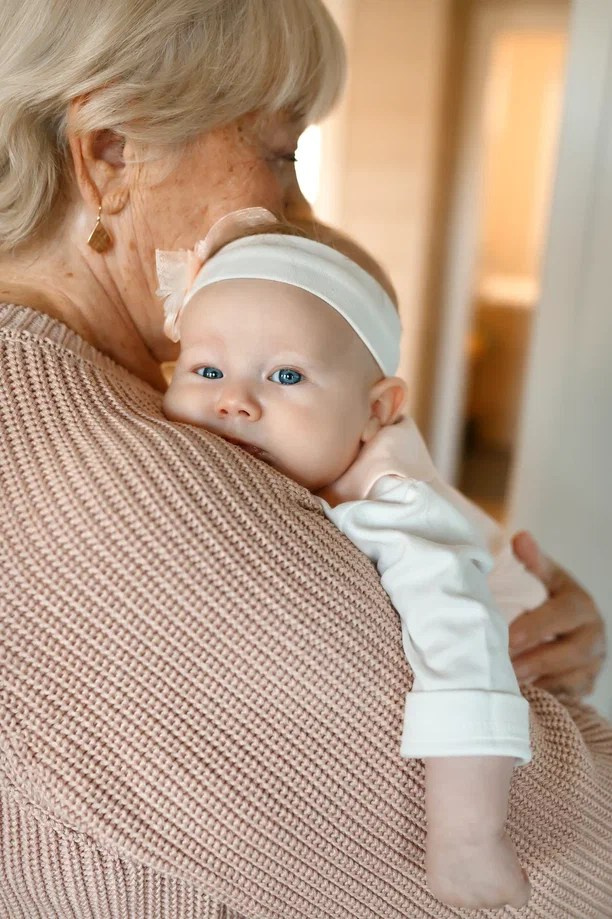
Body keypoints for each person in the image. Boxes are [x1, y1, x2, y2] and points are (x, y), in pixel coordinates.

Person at [0, 1, 609, 916]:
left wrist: (497, 620)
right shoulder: (110, 484)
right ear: (112, 151)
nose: (300, 209)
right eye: (282, 153)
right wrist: (554, 715)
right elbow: (565, 861)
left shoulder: (157, 398)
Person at [158, 206, 543, 909]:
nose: (236, 400)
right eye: (206, 368)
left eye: (287, 376)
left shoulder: (397, 509)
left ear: (377, 411)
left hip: (521, 647)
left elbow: (463, 645)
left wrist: (466, 836)